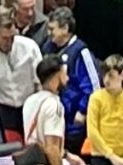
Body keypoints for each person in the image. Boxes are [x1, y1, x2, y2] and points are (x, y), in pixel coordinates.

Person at [0, 12, 44, 137]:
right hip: (5, 110)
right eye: (5, 38)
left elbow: (40, 81)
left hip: (29, 104)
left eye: (12, 37)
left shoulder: (29, 47)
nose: (9, 42)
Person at [41, 7, 99, 154]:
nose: (49, 33)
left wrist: (83, 110)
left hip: (74, 122)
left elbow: (94, 84)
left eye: (52, 29)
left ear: (65, 28)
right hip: (55, 118)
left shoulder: (81, 52)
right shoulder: (48, 49)